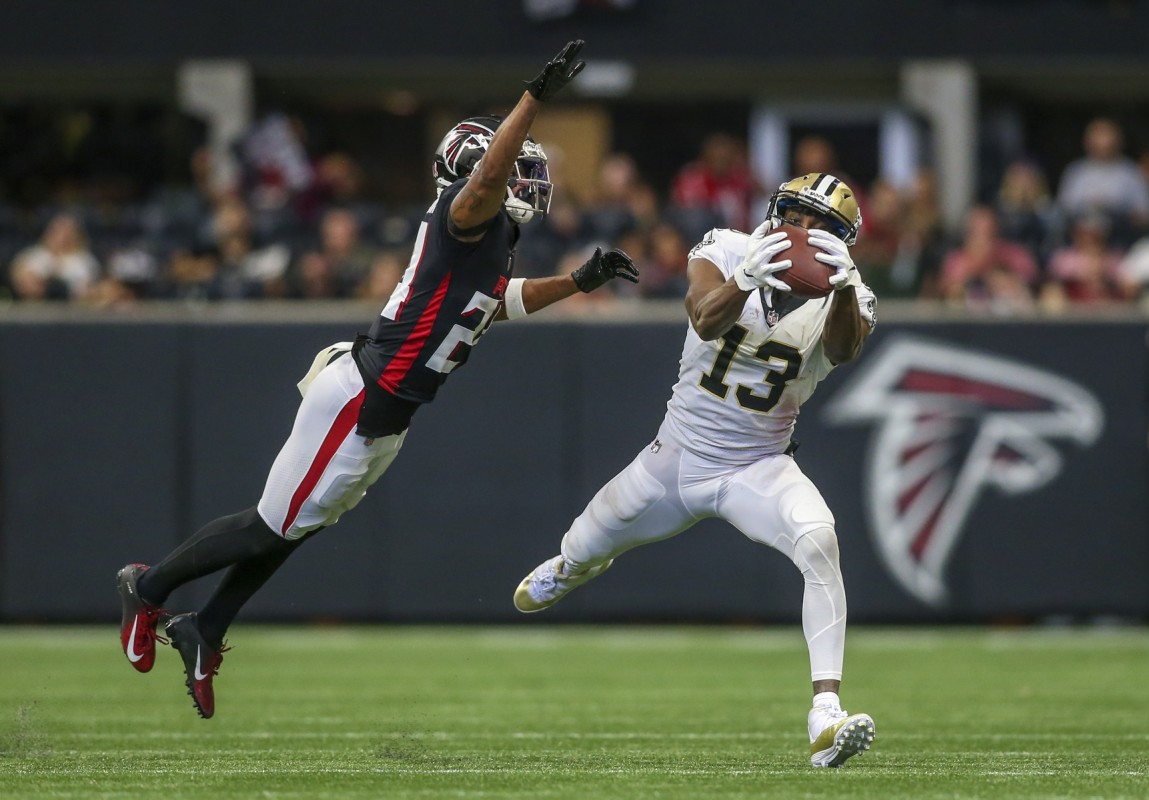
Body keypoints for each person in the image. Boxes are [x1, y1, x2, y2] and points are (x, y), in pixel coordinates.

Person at [115, 40, 639, 719]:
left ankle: (205, 628)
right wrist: (533, 98)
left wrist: (577, 281)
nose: (526, 179)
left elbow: (494, 304)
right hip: (362, 396)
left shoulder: (493, 239)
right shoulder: (463, 210)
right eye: (515, 166)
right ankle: (147, 587)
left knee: (291, 528)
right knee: (269, 525)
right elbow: (487, 180)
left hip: (388, 414)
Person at [512, 172, 878, 768]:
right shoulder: (729, 248)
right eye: (796, 216)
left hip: (759, 464)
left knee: (819, 541)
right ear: (776, 212)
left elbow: (842, 350)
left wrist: (838, 289)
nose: (802, 232)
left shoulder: (852, 290)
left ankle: (825, 714)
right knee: (584, 542)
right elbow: (704, 317)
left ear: (841, 242)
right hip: (676, 458)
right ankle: (572, 567)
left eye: (821, 227)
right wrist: (745, 279)